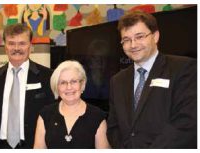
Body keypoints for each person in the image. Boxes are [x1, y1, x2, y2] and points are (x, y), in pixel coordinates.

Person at [107, 11, 197, 148]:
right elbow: (113, 126)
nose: (133, 45)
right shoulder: (117, 80)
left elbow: (187, 121)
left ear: (155, 36)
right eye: (126, 40)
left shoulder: (184, 68)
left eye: (139, 37)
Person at [0, 23, 55, 148]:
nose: (16, 48)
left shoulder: (48, 77)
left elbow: (53, 118)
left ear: (30, 46)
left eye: (22, 43)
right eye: (11, 43)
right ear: (5, 47)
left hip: (33, 146)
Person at [34, 60, 110, 149]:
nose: (69, 87)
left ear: (82, 84)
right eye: (63, 82)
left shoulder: (98, 117)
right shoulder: (45, 115)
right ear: (56, 87)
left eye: (73, 81)